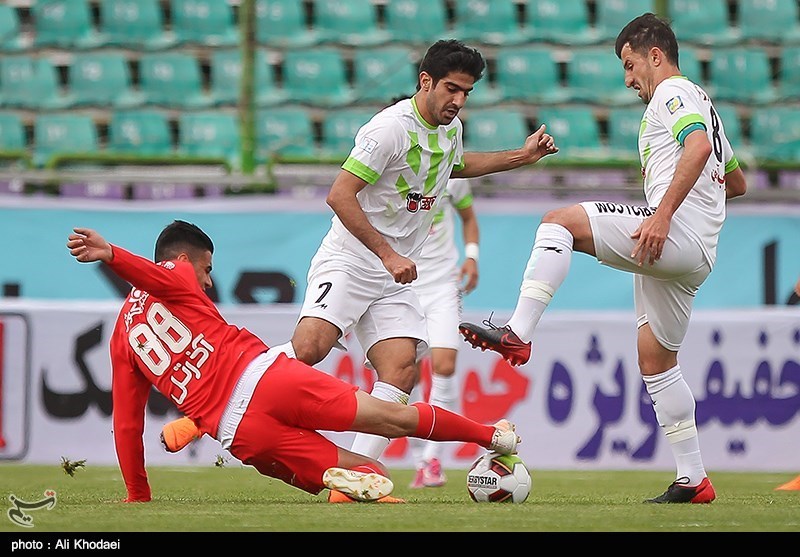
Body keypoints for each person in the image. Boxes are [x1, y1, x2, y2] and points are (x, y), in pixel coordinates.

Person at [459, 12, 747, 504]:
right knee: (657, 361)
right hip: (695, 250)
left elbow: (696, 147)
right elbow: (736, 181)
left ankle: (518, 334)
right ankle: (693, 479)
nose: (629, 79)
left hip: (672, 234)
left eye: (631, 65)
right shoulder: (704, 102)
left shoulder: (672, 93)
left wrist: (663, 215)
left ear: (654, 55)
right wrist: (696, 211)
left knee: (558, 222)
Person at [66, 221, 521, 504]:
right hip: (267, 377)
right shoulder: (176, 272)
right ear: (186, 260)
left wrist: (138, 495)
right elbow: (155, 274)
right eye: (207, 270)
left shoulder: (123, 338)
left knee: (372, 474)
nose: (206, 282)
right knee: (391, 418)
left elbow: (127, 424)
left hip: (239, 433)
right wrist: (113, 254)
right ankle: (491, 434)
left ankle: (344, 482)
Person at [288, 39, 557, 496]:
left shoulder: (449, 131)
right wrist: (387, 254)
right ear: (425, 81)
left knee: (400, 371)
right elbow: (339, 195)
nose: (458, 101)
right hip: (354, 259)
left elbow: (457, 165)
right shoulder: (387, 130)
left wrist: (521, 156)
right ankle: (220, 399)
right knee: (309, 349)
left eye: (467, 93)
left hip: (393, 278)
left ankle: (352, 479)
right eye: (452, 89)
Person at [408, 177, 479, 488]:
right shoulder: (396, 172)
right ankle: (417, 458)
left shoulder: (454, 177)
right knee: (403, 374)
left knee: (445, 364)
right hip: (403, 285)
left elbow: (468, 217)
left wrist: (472, 256)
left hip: (443, 283)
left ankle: (432, 459)